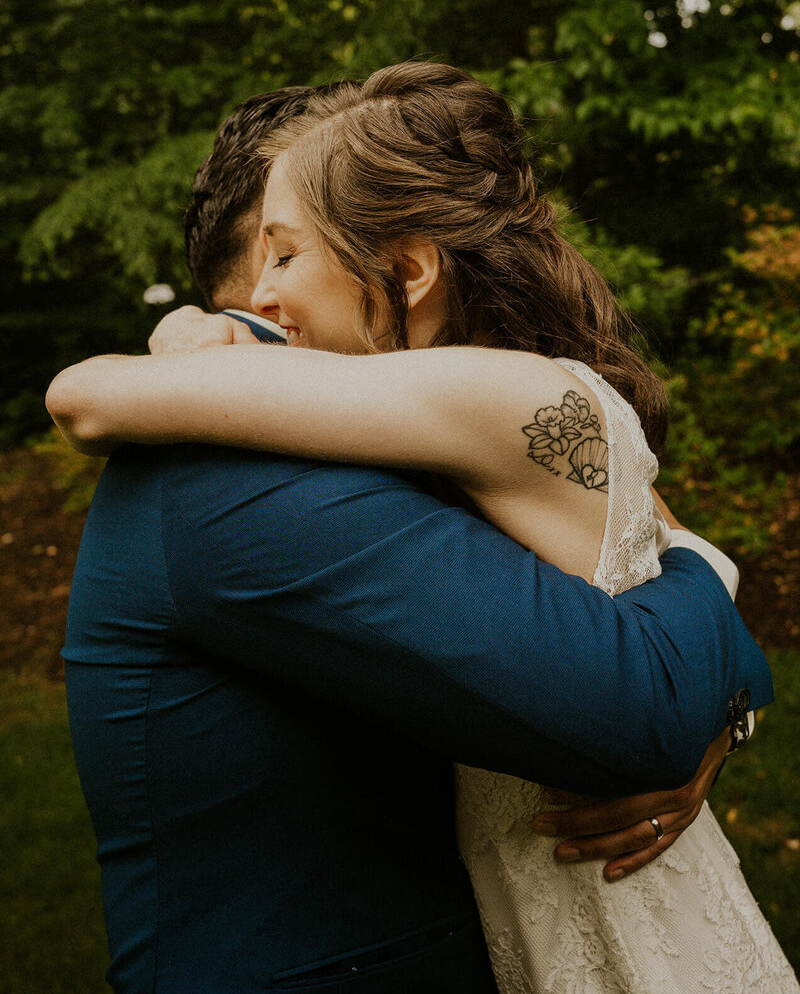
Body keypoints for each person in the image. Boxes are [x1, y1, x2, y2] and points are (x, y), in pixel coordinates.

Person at [47, 72, 782, 993]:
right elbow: (660, 667)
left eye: (295, 249)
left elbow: (667, 563)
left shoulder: (454, 417)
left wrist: (728, 712)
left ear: (402, 264)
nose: (275, 294)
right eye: (268, 256)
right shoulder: (228, 472)